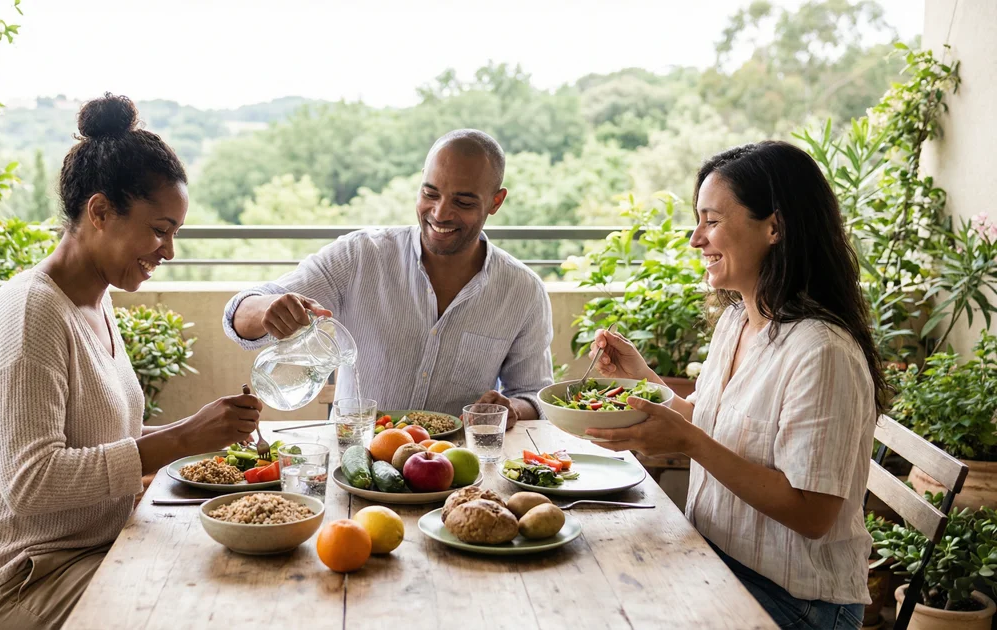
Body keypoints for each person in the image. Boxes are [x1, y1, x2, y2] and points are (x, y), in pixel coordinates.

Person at [0, 94, 262, 630]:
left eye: (175, 233)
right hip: (19, 581)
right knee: (207, 607)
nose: (169, 251)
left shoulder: (94, 297)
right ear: (99, 212)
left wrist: (204, 435)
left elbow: (103, 435)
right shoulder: (31, 315)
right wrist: (182, 438)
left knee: (232, 569)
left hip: (87, 550)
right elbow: (30, 482)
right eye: (160, 229)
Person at [586, 141, 884, 629]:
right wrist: (644, 379)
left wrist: (689, 443)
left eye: (712, 220)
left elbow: (812, 514)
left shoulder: (822, 352)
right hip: (719, 561)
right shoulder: (736, 322)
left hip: (796, 603)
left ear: (775, 227)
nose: (695, 238)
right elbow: (709, 423)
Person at [223, 129, 552, 424]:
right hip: (356, 462)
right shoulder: (360, 256)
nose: (440, 214)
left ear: (496, 202)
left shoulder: (523, 291)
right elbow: (238, 315)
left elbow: (534, 394)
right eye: (430, 194)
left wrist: (511, 409)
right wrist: (269, 309)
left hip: (456, 469)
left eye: (463, 201)